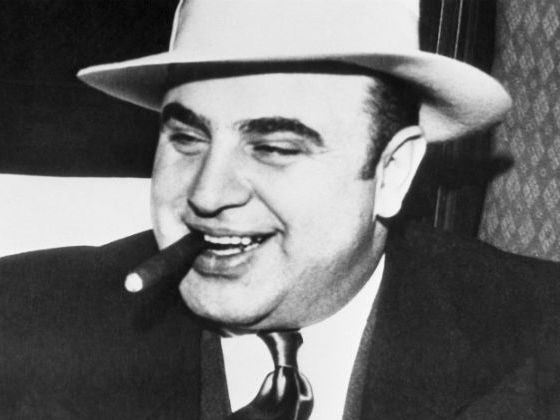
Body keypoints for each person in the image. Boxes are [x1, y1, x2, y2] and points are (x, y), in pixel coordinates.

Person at [2, 1, 560, 419]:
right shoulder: (24, 325)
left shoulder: (541, 338)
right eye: (187, 139)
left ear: (392, 172)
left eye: (273, 148)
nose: (207, 194)